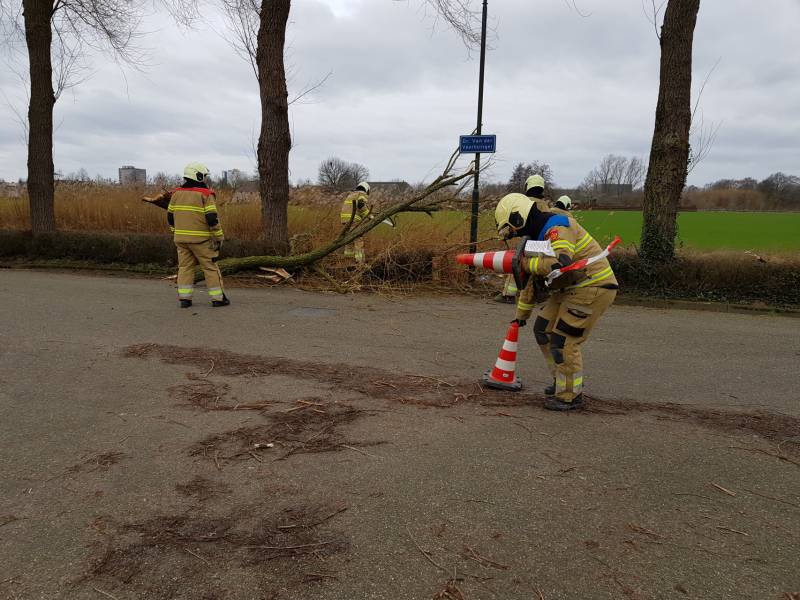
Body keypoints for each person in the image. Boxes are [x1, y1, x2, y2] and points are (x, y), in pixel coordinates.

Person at [494, 193, 618, 411]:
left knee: (564, 341)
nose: (513, 235)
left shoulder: (558, 227)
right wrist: (521, 316)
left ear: (518, 218)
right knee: (542, 329)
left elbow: (559, 263)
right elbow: (532, 280)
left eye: (510, 229)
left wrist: (525, 264)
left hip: (592, 287)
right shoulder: (538, 237)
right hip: (570, 287)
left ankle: (569, 395)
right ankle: (562, 380)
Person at [142, 162, 229, 308]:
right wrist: (219, 236)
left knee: (184, 268)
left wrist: (175, 232)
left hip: (181, 240)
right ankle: (218, 299)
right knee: (210, 268)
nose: (205, 179)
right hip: (202, 241)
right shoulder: (206, 195)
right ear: (198, 176)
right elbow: (212, 219)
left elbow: (170, 216)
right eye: (204, 176)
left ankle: (185, 299)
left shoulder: (176, 194)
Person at [495, 174, 550, 303]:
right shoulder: (545, 206)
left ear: (528, 185)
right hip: (543, 245)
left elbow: (516, 224)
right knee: (537, 269)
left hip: (528, 242)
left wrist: (508, 234)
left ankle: (508, 295)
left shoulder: (524, 203)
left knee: (517, 264)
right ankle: (538, 294)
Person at [340, 181, 371, 263]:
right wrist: (369, 215)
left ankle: (348, 261)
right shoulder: (362, 194)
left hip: (344, 220)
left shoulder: (351, 195)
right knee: (358, 240)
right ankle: (360, 262)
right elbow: (361, 205)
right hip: (353, 220)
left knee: (348, 240)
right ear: (366, 189)